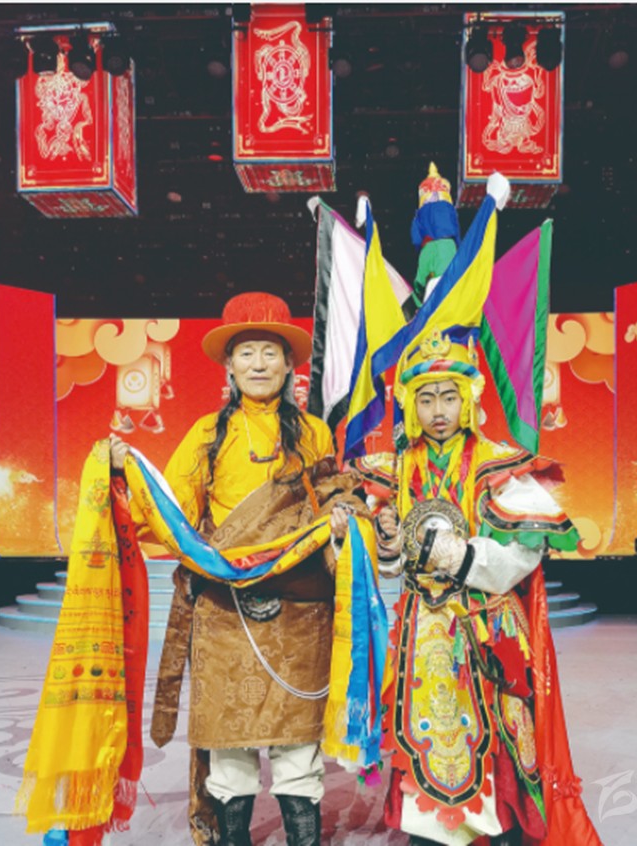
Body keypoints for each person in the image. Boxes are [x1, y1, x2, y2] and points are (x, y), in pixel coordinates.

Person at [110, 292, 355, 846]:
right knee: (229, 755)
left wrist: (344, 517)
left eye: (270, 352)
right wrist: (125, 473)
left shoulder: (314, 433)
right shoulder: (205, 434)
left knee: (298, 754)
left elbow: (330, 497)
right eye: (247, 353)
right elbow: (169, 511)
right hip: (225, 612)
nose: (259, 364)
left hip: (298, 614)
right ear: (229, 365)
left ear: (289, 365)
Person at [352, 330, 602, 846]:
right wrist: (390, 543)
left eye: (448, 396)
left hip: (487, 629)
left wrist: (454, 554)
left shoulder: (499, 466)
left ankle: (497, 828)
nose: (438, 411)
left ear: (468, 399)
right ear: (410, 405)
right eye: (425, 399)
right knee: (425, 735)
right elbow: (386, 567)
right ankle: (431, 833)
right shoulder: (393, 470)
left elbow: (523, 555)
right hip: (422, 631)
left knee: (500, 741)